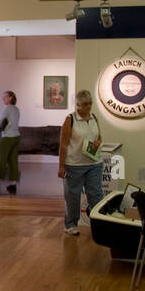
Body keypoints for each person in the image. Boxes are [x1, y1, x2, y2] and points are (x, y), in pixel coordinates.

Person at [58, 90, 103, 235]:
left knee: (96, 195)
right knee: (72, 197)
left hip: (94, 164)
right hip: (74, 165)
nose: (88, 107)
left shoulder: (94, 117)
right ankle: (70, 224)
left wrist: (97, 143)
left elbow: (99, 137)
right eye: (85, 104)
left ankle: (98, 222)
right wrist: (61, 166)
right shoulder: (70, 120)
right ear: (77, 105)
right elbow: (63, 145)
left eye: (90, 104)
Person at [0, 91, 20, 194]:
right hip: (16, 137)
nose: (3, 99)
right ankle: (13, 184)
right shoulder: (16, 109)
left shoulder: (7, 108)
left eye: (5, 97)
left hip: (7, 137)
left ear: (11, 98)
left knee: (1, 160)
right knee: (13, 161)